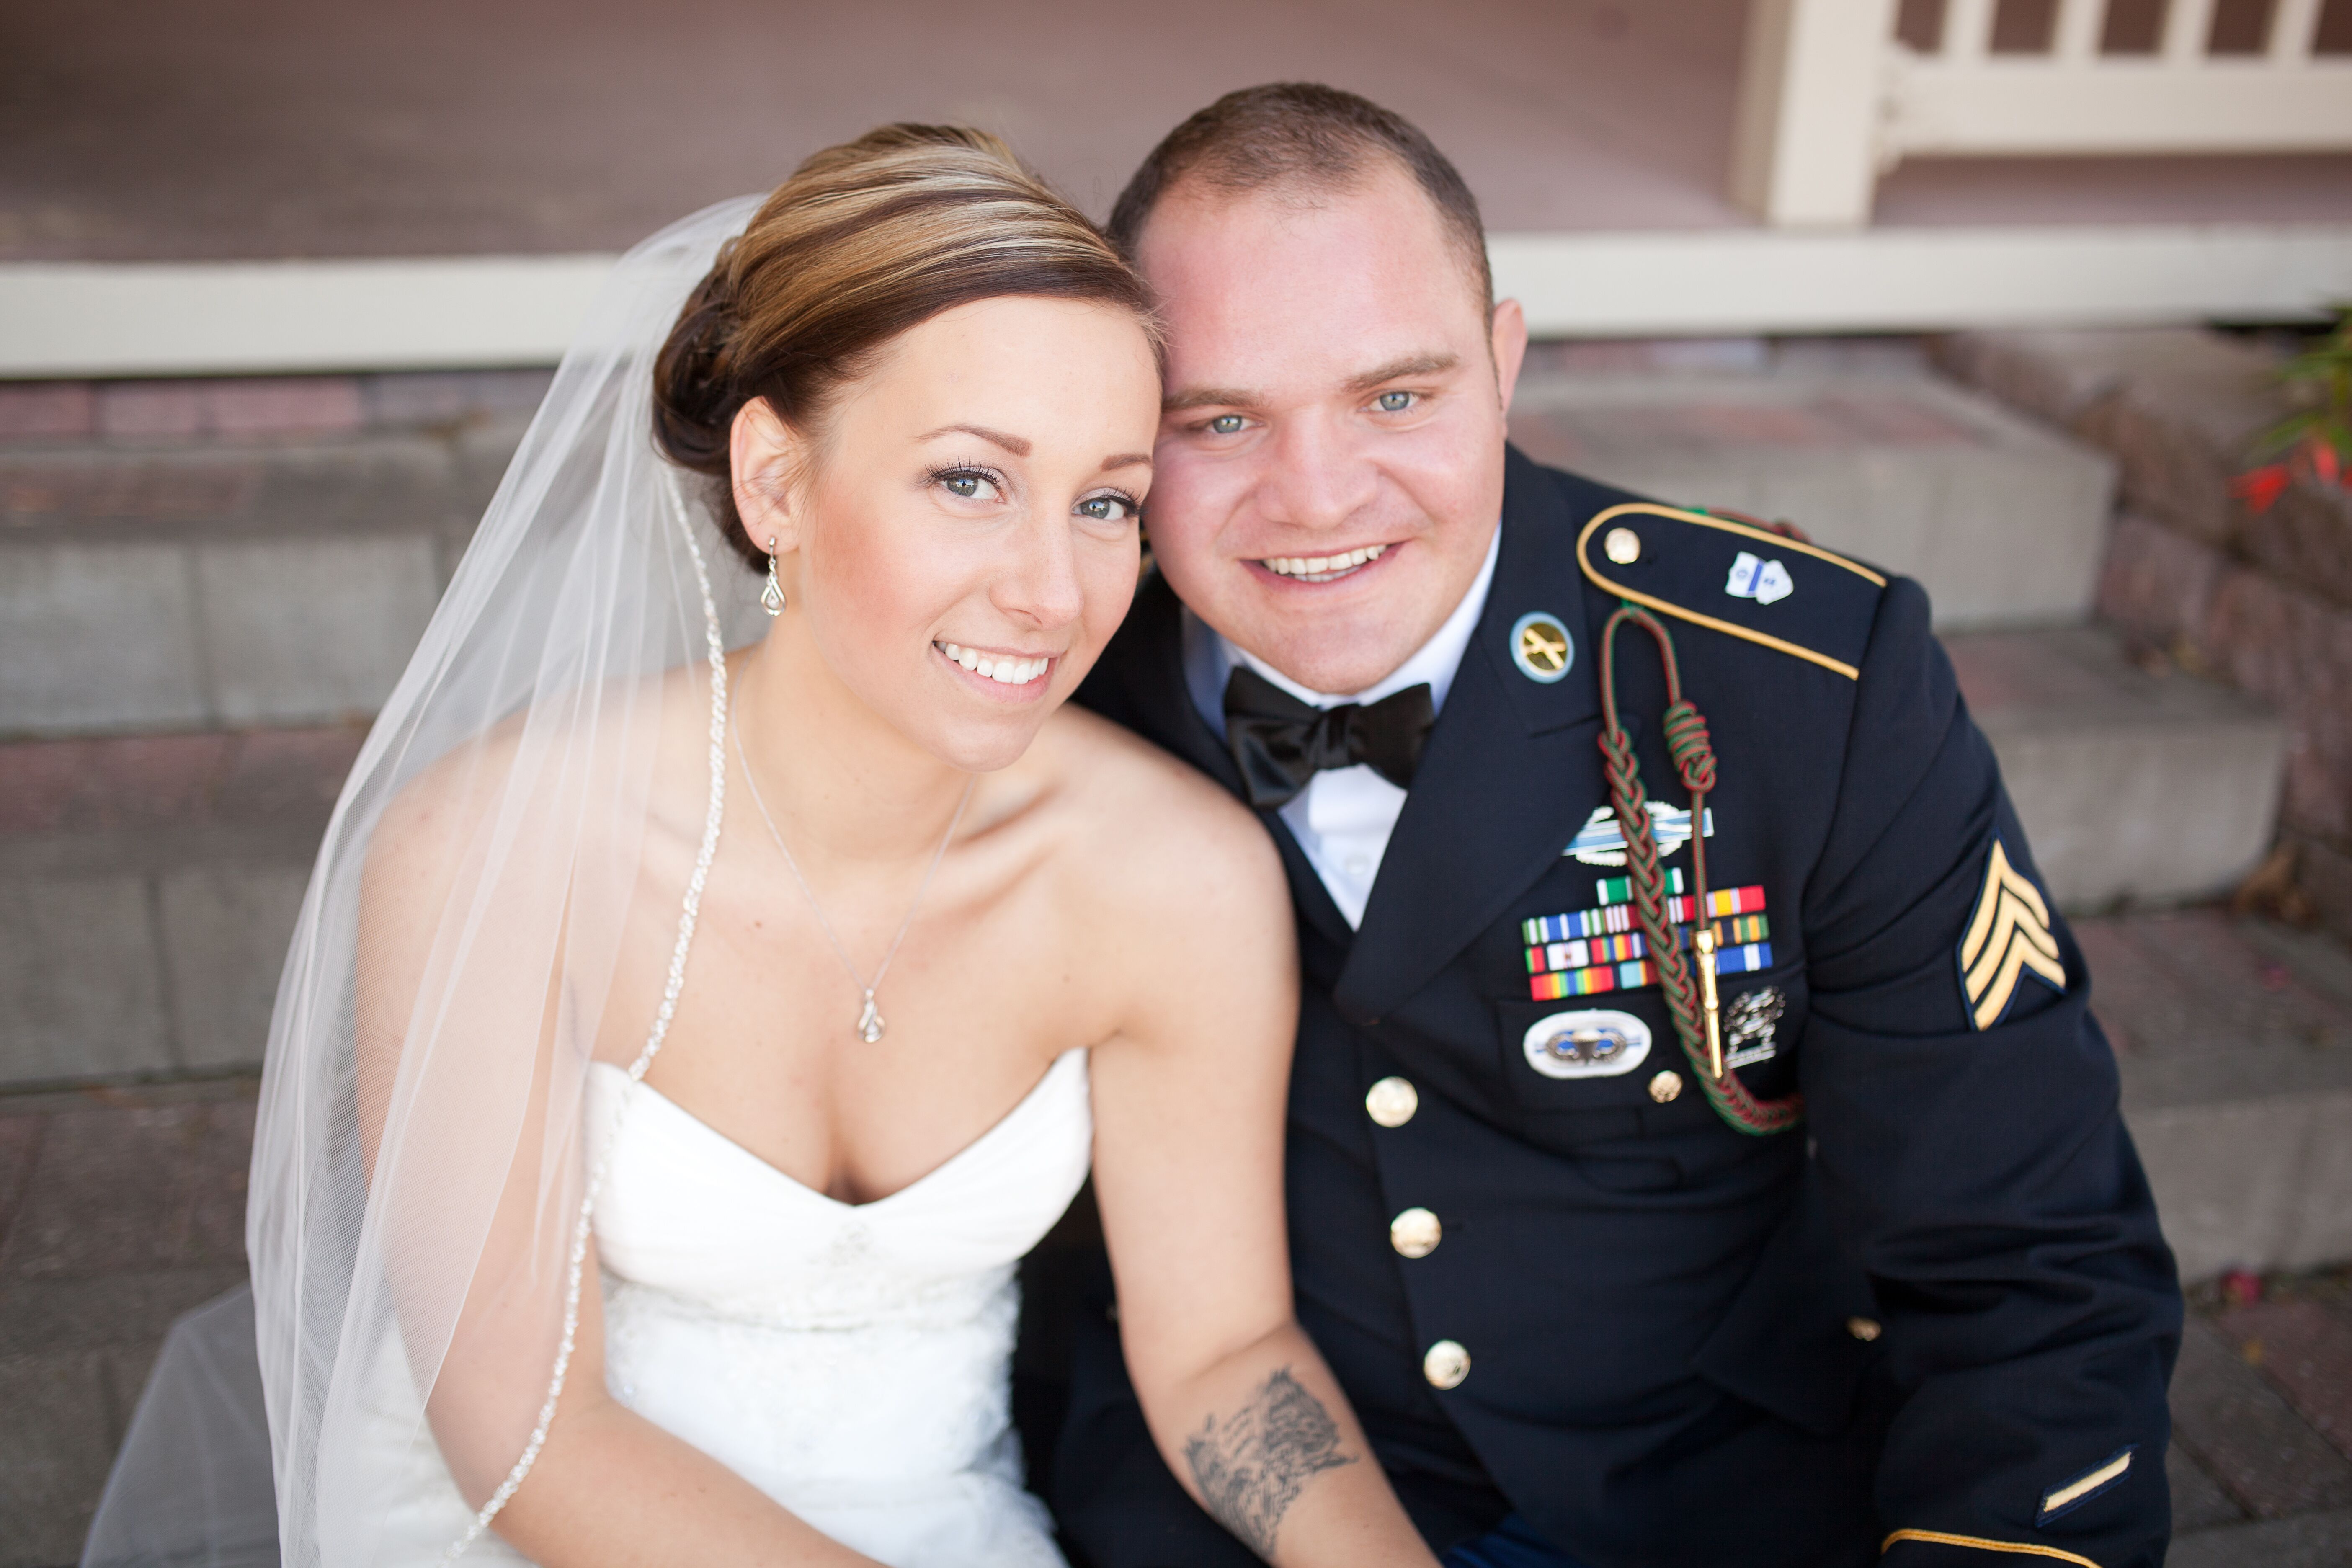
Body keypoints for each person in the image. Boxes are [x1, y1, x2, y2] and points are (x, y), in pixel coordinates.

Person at [86, 126, 1443, 1568]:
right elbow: (523, 1434)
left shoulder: (1175, 878)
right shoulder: (493, 849)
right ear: (775, 485)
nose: (1055, 591)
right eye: (970, 482)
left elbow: (1225, 1353)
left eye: (1106, 501)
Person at [1049, 85, 2182, 1568]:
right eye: (1221, 418)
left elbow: (2030, 1260)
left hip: (1713, 1501)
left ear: (1504, 366)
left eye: (1397, 397)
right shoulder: (1048, 685)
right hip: (1230, 1506)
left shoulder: (1806, 693)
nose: (1318, 496)